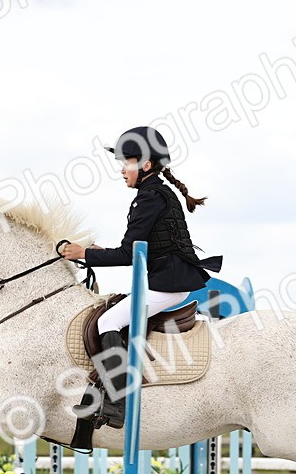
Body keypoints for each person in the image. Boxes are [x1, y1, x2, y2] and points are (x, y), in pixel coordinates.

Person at [60, 126, 222, 430]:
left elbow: (126, 255)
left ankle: (116, 403)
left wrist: (84, 254)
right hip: (168, 280)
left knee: (108, 322)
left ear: (146, 165)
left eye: (127, 163)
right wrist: (97, 252)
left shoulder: (150, 198)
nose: (122, 170)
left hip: (169, 285)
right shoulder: (155, 193)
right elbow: (133, 250)